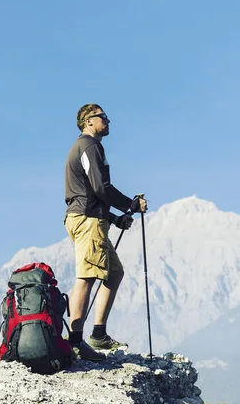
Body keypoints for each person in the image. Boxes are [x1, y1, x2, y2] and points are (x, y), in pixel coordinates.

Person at [64, 103, 147, 361]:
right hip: (87, 221)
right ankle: (76, 342)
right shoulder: (89, 146)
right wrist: (129, 205)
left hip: (91, 218)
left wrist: (113, 218)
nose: (107, 121)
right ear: (89, 121)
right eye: (103, 117)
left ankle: (98, 334)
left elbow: (90, 191)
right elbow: (100, 187)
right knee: (87, 276)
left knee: (114, 272)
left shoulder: (86, 147)